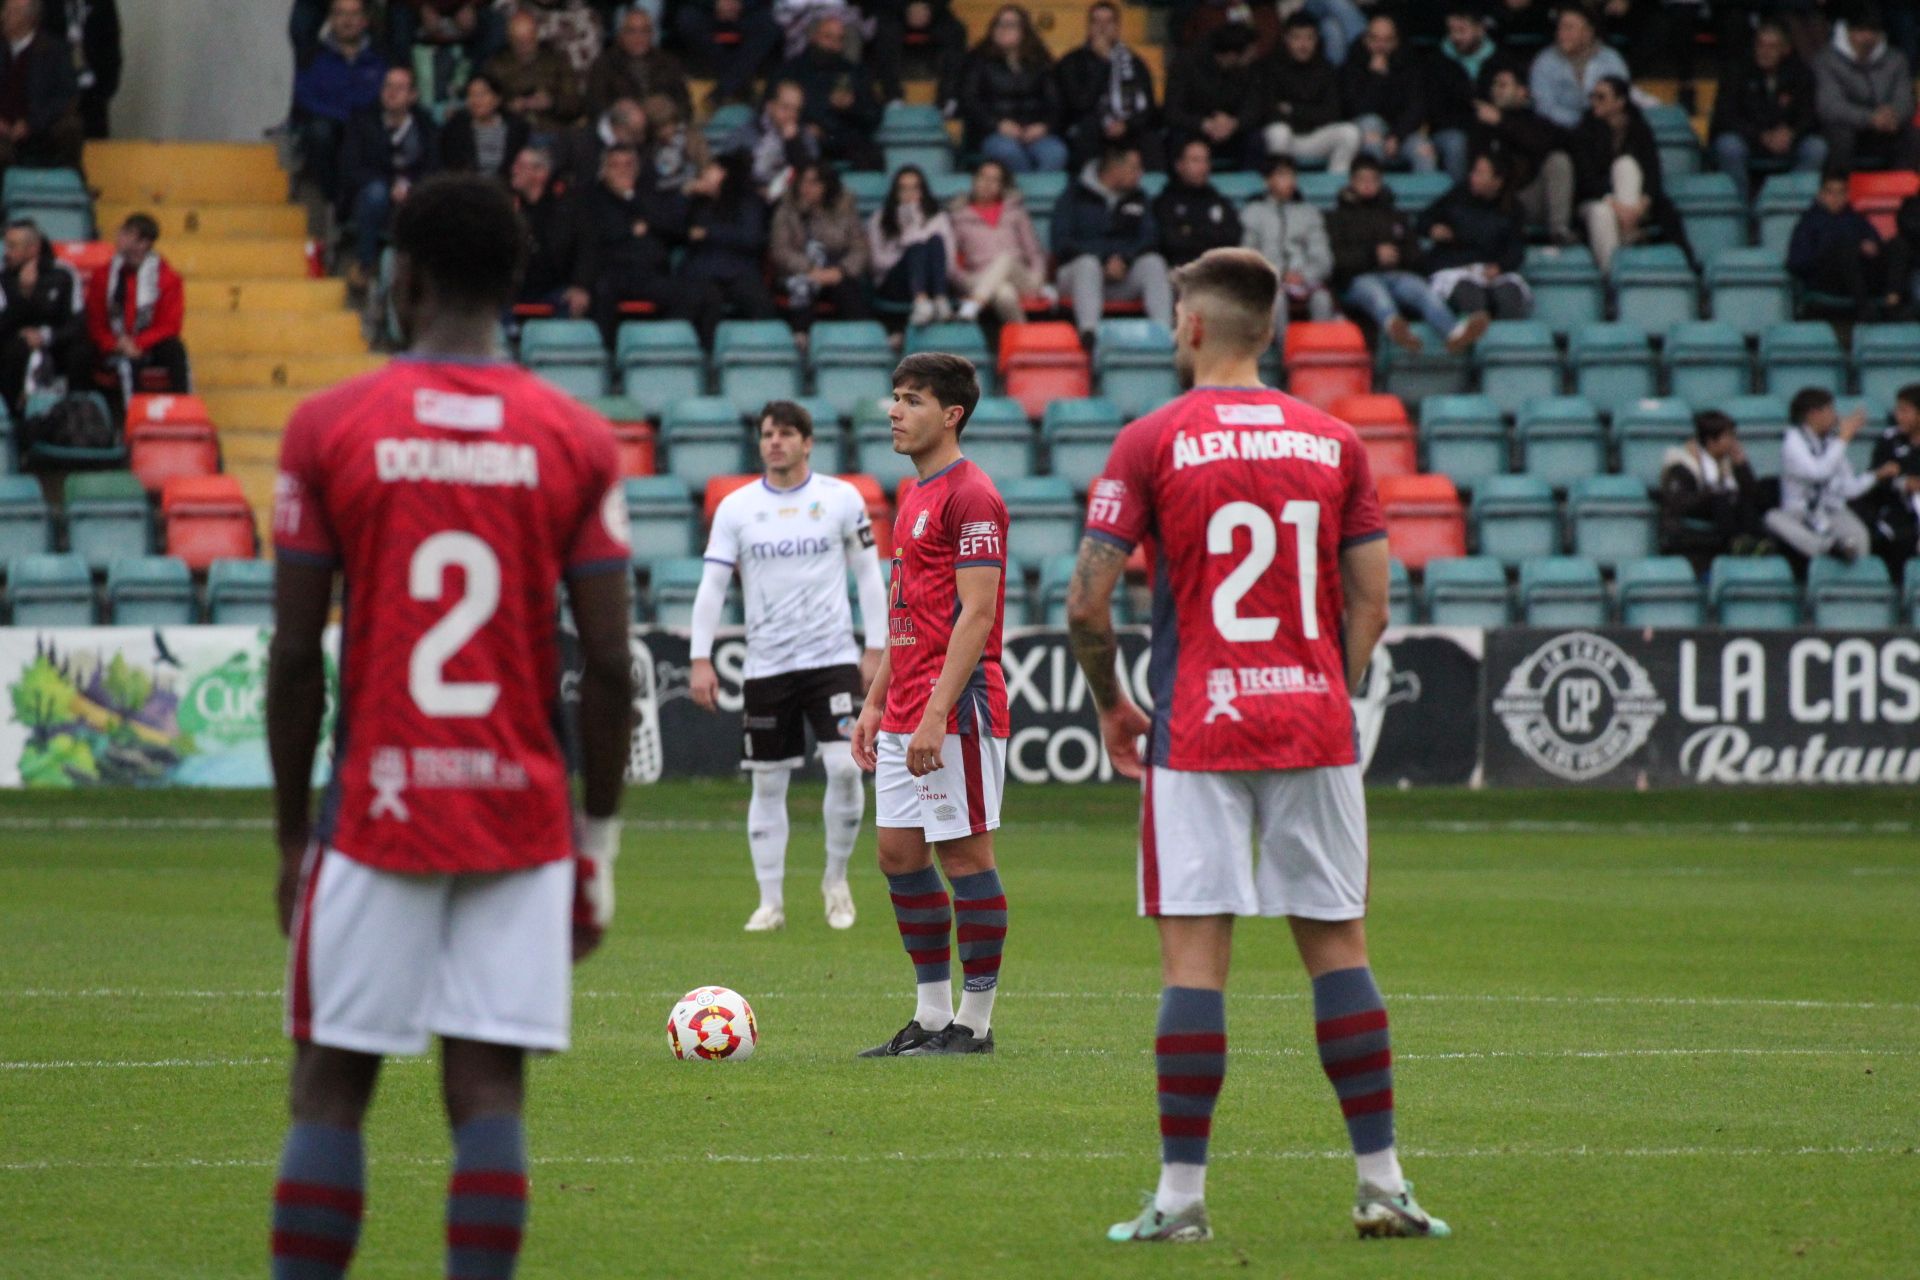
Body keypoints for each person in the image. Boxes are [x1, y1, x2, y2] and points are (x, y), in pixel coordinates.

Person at [265, 172, 633, 1280]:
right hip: (519, 818)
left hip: (375, 810)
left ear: (403, 275)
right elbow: (611, 666)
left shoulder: (330, 424)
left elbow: (293, 657)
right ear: (516, 284)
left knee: (332, 1078)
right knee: (487, 1087)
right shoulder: (572, 433)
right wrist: (597, 842)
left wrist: (293, 836)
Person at [1064, 245, 1448, 1245]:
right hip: (1314, 723)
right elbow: (1373, 598)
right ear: (1268, 332)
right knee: (1339, 949)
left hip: (1196, 728)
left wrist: (1112, 704)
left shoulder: (1149, 438)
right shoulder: (1335, 440)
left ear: (1191, 326)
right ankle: (1384, 1182)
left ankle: (1182, 1201)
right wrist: (1334, 687)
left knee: (1196, 961)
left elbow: (1086, 601)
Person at [849, 352, 1011, 1059]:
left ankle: (974, 1025)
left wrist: (938, 713)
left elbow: (977, 615)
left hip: (956, 707)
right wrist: (876, 701)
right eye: (895, 397)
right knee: (897, 854)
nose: (894, 410)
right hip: (906, 703)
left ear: (952, 415)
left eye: (911, 400)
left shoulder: (972, 496)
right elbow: (902, 609)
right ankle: (930, 1015)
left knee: (966, 856)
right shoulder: (912, 494)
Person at [689, 401, 888, 932]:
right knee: (768, 782)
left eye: (785, 433)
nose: (774, 442)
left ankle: (835, 880)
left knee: (847, 768)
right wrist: (699, 657)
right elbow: (712, 585)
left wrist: (876, 646)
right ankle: (770, 902)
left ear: (807, 442)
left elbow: (870, 575)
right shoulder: (736, 508)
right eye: (767, 434)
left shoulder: (841, 499)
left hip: (831, 658)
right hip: (767, 665)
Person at [1328, 157, 1480, 354]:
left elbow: (1416, 253)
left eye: (1373, 179)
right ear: (1352, 182)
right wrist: (1372, 255)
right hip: (1356, 280)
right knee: (1376, 294)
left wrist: (1399, 256)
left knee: (1422, 291)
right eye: (1361, 179)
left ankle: (1455, 333)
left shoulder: (1395, 215)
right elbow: (1336, 259)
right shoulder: (1337, 218)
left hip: (1397, 275)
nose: (1367, 184)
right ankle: (1396, 328)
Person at [578, 144, 722, 345]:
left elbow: (672, 226)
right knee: (602, 293)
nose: (622, 171)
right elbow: (599, 235)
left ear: (637, 169)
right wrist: (632, 228)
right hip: (613, 274)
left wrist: (632, 200)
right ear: (604, 171)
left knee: (706, 294)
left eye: (628, 165)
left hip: (650, 275)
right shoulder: (591, 199)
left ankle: (665, 345)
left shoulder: (647, 195)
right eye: (615, 166)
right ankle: (609, 360)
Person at [1053, 143, 1173, 343]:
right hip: (1078, 278)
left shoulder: (1139, 197)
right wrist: (1103, 259)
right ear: (1115, 169)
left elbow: (1150, 238)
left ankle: (1164, 334)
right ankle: (1088, 334)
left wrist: (1124, 259)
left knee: (1153, 262)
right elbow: (1061, 242)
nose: (1140, 174)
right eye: (1134, 168)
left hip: (1123, 275)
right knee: (1087, 264)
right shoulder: (1073, 196)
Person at [341, 66, 441, 290]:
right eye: (388, 86)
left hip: (415, 195)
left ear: (413, 95)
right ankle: (365, 264)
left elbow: (434, 167)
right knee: (375, 193)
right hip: (375, 195)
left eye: (400, 87)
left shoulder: (426, 127)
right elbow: (352, 167)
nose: (391, 92)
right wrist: (390, 185)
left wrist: (410, 187)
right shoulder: (362, 122)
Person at [1765, 388, 1890, 564]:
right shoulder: (1792, 442)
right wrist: (1844, 438)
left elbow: (1849, 488)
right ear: (1814, 414)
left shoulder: (1832, 443)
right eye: (1830, 410)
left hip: (1829, 511)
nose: (1835, 416)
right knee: (1773, 519)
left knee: (1859, 535)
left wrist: (1876, 476)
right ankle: (1827, 547)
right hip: (1798, 513)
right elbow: (1817, 472)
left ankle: (1857, 586)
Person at [1708, 20, 1825, 209]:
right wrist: (1761, 135)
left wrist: (1791, 133)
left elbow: (1810, 115)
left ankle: (1784, 204)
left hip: (1787, 141)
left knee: (1816, 148)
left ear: (1785, 49)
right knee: (1728, 146)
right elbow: (1725, 115)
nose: (1765, 51)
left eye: (1772, 47)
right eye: (1760, 45)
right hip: (1749, 139)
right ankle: (1742, 211)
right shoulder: (1737, 70)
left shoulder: (1801, 73)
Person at [74, 212, 186, 405]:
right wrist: (115, 344)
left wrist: (139, 343)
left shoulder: (167, 278)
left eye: (127, 233)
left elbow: (169, 325)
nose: (119, 236)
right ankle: (84, 410)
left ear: (143, 243)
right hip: (112, 344)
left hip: (148, 345)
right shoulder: (103, 276)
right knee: (81, 351)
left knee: (175, 350)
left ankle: (183, 409)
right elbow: (95, 321)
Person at [1418, 153, 1530, 322]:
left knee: (1509, 295)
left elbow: (1516, 249)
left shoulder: (1513, 209)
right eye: (1474, 171)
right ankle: (1477, 340)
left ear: (1497, 181)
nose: (1473, 177)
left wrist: (1500, 267)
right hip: (1455, 267)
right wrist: (1433, 229)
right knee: (1472, 296)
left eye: (1480, 173)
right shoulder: (1458, 196)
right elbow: (1423, 220)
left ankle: (1504, 345)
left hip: (1491, 269)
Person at [294, 0, 386, 203]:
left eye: (354, 15)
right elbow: (305, 96)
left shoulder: (379, 56)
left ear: (364, 20)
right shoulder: (314, 55)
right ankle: (333, 199)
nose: (347, 21)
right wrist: (341, 114)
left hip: (367, 122)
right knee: (319, 132)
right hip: (330, 121)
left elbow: (383, 91)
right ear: (330, 19)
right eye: (340, 14)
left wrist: (357, 116)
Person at [1471, 63, 1574, 245]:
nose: (1496, 90)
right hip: (1496, 200)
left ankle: (1559, 231)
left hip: (1529, 199)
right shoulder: (1482, 125)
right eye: (1494, 85)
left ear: (1522, 91)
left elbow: (1543, 144)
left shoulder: (1535, 121)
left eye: (1503, 85)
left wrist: (1502, 122)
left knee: (1559, 160)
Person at [958, 4, 1067, 174]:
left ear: (1023, 31)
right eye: (999, 24)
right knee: (1008, 152)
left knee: (1055, 153)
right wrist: (998, 125)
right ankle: (1027, 196)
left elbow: (1057, 103)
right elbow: (969, 102)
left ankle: (1036, 197)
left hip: (1034, 133)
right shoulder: (978, 60)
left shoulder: (1040, 61)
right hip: (994, 133)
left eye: (1010, 25)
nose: (1002, 30)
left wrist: (1044, 127)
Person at [1658, 410, 1769, 577]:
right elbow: (1681, 504)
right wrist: (1711, 493)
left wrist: (1741, 466)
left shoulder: (1729, 462)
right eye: (1728, 437)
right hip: (1694, 532)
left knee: (1745, 498)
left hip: (1724, 522)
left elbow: (1754, 496)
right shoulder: (1682, 466)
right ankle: (1735, 542)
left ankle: (1754, 541)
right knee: (1721, 498)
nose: (1734, 442)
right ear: (1711, 441)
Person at [1570, 74, 1660, 273]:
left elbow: (1653, 174)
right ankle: (1614, 275)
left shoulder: (1638, 129)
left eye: (1601, 97)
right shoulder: (1584, 131)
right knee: (1603, 214)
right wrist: (1616, 205)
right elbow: (1586, 181)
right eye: (1592, 96)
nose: (1594, 101)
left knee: (1626, 164)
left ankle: (1628, 237)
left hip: (1632, 207)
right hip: (1595, 200)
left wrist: (1641, 205)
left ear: (1620, 102)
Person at [1056, 0, 1161, 170]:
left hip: (1127, 125)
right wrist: (1103, 65)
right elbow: (1078, 104)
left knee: (1151, 139)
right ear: (1088, 27)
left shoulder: (1134, 63)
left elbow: (1148, 108)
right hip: (1090, 125)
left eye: (1109, 22)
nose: (1102, 27)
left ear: (1118, 27)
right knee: (1087, 131)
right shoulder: (1072, 62)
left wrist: (1127, 124)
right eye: (1097, 22)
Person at [1240, 154, 1335, 340]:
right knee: (1277, 300)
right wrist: (1279, 275)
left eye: (1292, 176)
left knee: (1322, 300)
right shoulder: (1253, 213)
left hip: (1305, 280)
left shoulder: (1309, 214)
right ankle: (1288, 358)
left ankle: (1319, 356)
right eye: (1282, 175)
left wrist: (1304, 276)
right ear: (1268, 180)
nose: (1289, 181)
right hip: (1270, 282)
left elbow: (1324, 258)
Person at [1814, 6, 1919, 173]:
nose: (1868, 37)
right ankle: (1840, 192)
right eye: (1861, 31)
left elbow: (1905, 98)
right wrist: (1869, 118)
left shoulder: (1896, 59)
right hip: (1848, 126)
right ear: (1848, 31)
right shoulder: (1827, 60)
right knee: (1840, 135)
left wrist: (1894, 114)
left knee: (1913, 136)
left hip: (1887, 125)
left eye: (1873, 31)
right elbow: (1830, 105)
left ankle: (1903, 192)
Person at [770, 160, 872, 327]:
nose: (806, 187)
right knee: (802, 287)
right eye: (803, 181)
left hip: (836, 272)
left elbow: (859, 249)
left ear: (826, 184)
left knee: (848, 291)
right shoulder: (786, 210)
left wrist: (841, 270)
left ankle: (861, 339)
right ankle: (801, 337)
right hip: (799, 272)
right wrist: (810, 269)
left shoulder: (844, 209)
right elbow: (780, 251)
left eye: (813, 182)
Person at [775, 14, 883, 171]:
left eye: (839, 39)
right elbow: (772, 109)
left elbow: (874, 116)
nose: (833, 45)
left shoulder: (855, 71)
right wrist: (803, 128)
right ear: (814, 37)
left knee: (872, 155)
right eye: (828, 37)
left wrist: (852, 105)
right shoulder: (790, 71)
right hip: (805, 139)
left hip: (843, 140)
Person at [1255, 14, 1361, 174]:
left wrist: (1292, 109)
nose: (1303, 45)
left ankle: (1334, 185)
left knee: (1350, 132)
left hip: (1316, 136)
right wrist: (1310, 113)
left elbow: (1333, 112)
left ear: (1317, 39)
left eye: (1309, 38)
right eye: (1296, 38)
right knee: (1278, 132)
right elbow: (1270, 112)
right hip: (1287, 139)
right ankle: (1282, 182)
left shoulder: (1326, 69)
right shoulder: (1270, 67)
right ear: (1286, 39)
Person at [948, 159, 1050, 325]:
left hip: (1020, 277)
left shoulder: (1015, 212)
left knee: (1005, 259)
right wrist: (962, 280)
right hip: (979, 277)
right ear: (974, 180)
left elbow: (1035, 252)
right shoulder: (958, 217)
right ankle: (1022, 343)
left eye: (995, 180)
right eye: (983, 177)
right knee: (1004, 294)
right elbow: (951, 260)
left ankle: (972, 305)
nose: (988, 184)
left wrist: (1038, 279)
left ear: (1003, 186)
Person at [681, 151, 777, 321]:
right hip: (703, 273)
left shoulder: (748, 202)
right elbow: (674, 227)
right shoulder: (696, 202)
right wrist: (684, 196)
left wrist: (709, 233)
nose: (704, 173)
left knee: (760, 304)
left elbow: (751, 237)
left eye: (711, 168)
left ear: (725, 173)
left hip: (739, 271)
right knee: (703, 299)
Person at [1341, 13, 1437, 174]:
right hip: (1367, 128)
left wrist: (1396, 136)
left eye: (1387, 40)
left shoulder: (1409, 64)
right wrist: (1377, 78)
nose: (1380, 45)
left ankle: (1427, 199)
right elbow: (1356, 109)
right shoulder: (1353, 64)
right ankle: (1376, 195)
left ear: (1396, 41)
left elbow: (1416, 107)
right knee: (1371, 129)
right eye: (1375, 39)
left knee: (1424, 151)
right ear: (1366, 39)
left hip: (1402, 132)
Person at [1787, 171, 1892, 319]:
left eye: (1841, 192)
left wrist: (1872, 248)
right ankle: (1865, 308)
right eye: (1830, 192)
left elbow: (1876, 245)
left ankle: (1896, 302)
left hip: (1861, 277)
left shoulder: (1858, 221)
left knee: (1896, 245)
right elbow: (1796, 263)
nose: (1836, 198)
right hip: (1824, 280)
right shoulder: (1808, 224)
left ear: (1847, 195)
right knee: (1845, 247)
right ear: (1821, 195)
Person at [0, 217, 79, 412]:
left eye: (12, 247)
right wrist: (24, 295)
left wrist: (45, 337)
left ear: (33, 248)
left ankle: (78, 414)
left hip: (55, 342)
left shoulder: (64, 274)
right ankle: (12, 416)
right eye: (6, 246)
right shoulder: (2, 277)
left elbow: (77, 323)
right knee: (15, 350)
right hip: (14, 343)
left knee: (81, 352)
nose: (6, 253)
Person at [1163, 24, 1261, 170]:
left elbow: (1255, 105)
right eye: (1250, 52)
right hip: (1195, 128)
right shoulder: (1185, 64)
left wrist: (1234, 123)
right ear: (1232, 56)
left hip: (1232, 130)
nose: (1255, 55)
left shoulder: (1250, 69)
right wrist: (1205, 123)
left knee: (1255, 138)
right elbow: (1172, 111)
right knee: (1177, 137)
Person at [508, 145, 588, 320]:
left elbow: (586, 248)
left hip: (555, 288)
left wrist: (580, 285)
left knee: (572, 303)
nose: (513, 170)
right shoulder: (507, 207)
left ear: (541, 173)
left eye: (520, 165)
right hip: (512, 289)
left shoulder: (566, 210)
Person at [870, 165, 957, 326]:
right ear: (895, 192)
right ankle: (921, 302)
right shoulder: (880, 218)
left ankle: (940, 300)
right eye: (903, 188)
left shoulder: (938, 218)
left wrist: (916, 219)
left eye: (915, 188)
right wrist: (906, 248)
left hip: (933, 281)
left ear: (923, 191)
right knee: (916, 246)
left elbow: (949, 262)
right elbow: (877, 262)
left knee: (935, 239)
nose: (909, 194)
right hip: (896, 282)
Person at [1424, 3, 1500, 182]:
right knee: (1457, 143)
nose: (1455, 37)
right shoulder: (1436, 62)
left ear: (1480, 29)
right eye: (1452, 30)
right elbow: (1436, 112)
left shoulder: (1500, 60)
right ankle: (1460, 199)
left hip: (1491, 127)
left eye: (1462, 30)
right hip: (1450, 130)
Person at [1528, 3, 1629, 131]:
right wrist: (1582, 124)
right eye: (1560, 28)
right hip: (1559, 133)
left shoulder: (1611, 60)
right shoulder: (1544, 61)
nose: (1561, 33)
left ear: (1588, 32)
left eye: (1569, 28)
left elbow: (1619, 99)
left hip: (1603, 132)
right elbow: (1544, 107)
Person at [484, 7, 584, 134]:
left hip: (552, 130)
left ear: (536, 35)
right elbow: (483, 105)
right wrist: (508, 108)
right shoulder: (495, 65)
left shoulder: (557, 61)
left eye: (528, 40)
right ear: (509, 39)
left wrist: (551, 103)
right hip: (509, 133)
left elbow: (575, 104)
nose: (524, 46)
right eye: (519, 41)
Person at [1856, 384, 1920, 573]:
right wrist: (1904, 483)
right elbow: (1877, 478)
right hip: (1897, 512)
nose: (1899, 416)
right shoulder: (1889, 441)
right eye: (1898, 410)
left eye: (1905, 411)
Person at [1154, 138, 1242, 270]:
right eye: (1195, 160)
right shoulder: (1165, 202)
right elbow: (1170, 242)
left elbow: (1233, 236)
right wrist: (1210, 233)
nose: (1203, 166)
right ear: (1179, 165)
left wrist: (1191, 231)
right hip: (1181, 271)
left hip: (1218, 270)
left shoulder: (1218, 200)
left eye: (1206, 160)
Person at [585, 7, 688, 118]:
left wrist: (666, 111)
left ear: (652, 34)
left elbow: (685, 108)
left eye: (644, 31)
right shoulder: (604, 65)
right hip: (623, 130)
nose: (638, 37)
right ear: (621, 34)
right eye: (631, 31)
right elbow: (595, 109)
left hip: (664, 128)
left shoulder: (669, 63)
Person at [675, 0, 782, 107]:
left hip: (748, 11)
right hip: (707, 11)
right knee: (688, 18)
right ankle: (738, 82)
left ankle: (724, 89)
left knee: (769, 24)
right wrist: (714, 4)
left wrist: (741, 4)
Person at [42, 0, 117, 139]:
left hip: (93, 94)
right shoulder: (48, 6)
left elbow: (111, 48)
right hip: (56, 94)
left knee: (94, 145)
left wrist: (104, 90)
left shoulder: (102, 4)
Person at [735, 78, 817, 201]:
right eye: (785, 107)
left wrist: (792, 142)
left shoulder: (805, 137)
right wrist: (758, 190)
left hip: (789, 198)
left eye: (796, 110)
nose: (791, 114)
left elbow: (809, 174)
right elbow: (730, 170)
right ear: (770, 106)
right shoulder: (748, 131)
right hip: (751, 195)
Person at [440, 72, 529, 180]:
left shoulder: (516, 128)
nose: (476, 100)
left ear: (497, 99)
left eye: (482, 94)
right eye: (471, 95)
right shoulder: (456, 128)